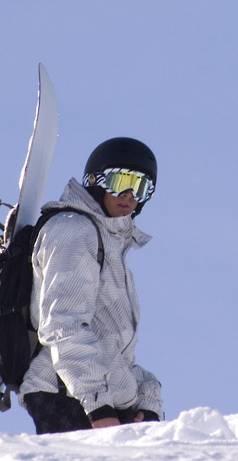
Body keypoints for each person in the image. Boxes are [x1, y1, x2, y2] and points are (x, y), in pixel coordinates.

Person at [19, 137, 163, 433]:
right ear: (96, 181)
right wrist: (98, 406)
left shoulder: (112, 246)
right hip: (67, 395)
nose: (129, 195)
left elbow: (116, 354)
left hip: (100, 399)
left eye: (141, 187)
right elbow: (63, 326)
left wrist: (148, 403)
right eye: (120, 181)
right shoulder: (74, 230)